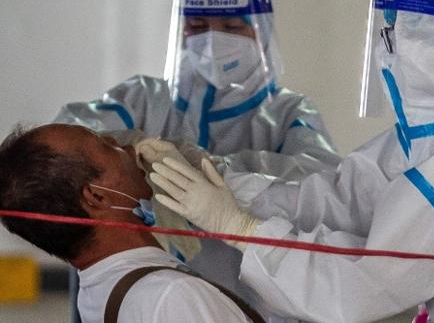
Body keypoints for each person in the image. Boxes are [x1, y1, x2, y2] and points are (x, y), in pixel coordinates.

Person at [147, 0, 434, 322]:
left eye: (395, 30)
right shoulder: (424, 142)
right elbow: (342, 202)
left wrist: (241, 229)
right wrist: (220, 179)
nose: (384, 48)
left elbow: (361, 288)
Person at [53, 0, 340, 318]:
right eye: (198, 25)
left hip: (254, 307)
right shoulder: (143, 98)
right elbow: (62, 136)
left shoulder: (289, 115)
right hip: (143, 301)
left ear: (263, 26)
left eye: (232, 27)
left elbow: (324, 186)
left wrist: (215, 169)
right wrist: (131, 142)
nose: (212, 41)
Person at [0, 123, 263, 323]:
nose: (124, 145)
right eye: (105, 145)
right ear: (97, 197)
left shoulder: (99, 289)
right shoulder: (170, 296)